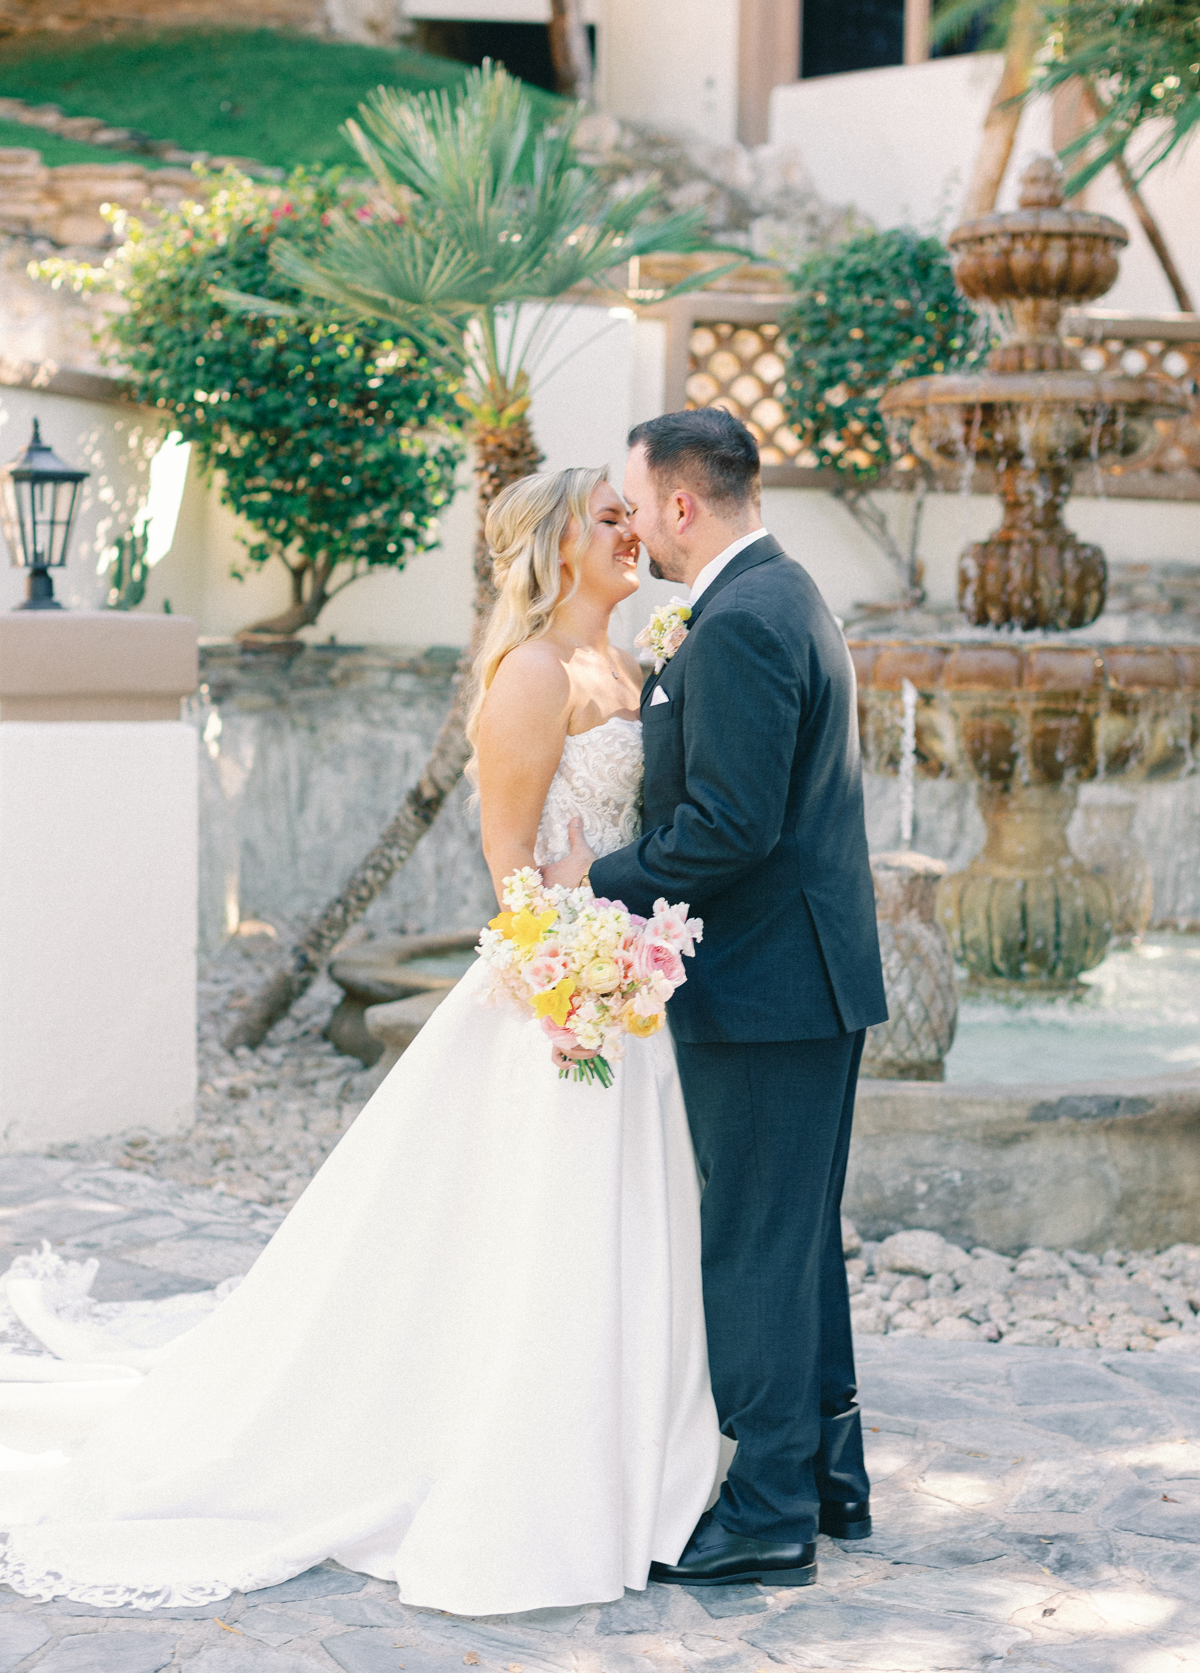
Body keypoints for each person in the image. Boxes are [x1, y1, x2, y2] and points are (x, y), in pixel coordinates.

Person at [0, 465, 720, 1617]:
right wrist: (572, 981)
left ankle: (635, 1456)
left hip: (629, 996)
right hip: (563, 998)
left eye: (632, 515)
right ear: (552, 546)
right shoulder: (531, 676)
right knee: (537, 1230)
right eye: (610, 518)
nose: (634, 531)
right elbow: (508, 872)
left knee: (616, 1224)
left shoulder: (628, 667)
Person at [544, 408, 887, 1590]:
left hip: (767, 985)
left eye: (637, 505)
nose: (632, 527)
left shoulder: (740, 623)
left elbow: (728, 830)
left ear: (682, 507)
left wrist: (596, 877)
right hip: (803, 977)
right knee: (791, 1240)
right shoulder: (779, 592)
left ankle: (768, 1509)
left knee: (749, 1240)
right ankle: (831, 1476)